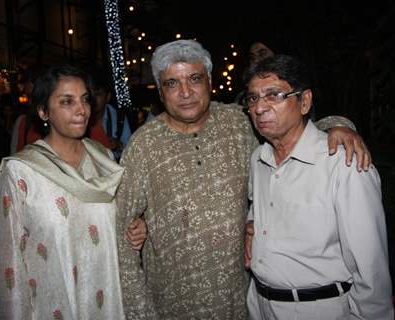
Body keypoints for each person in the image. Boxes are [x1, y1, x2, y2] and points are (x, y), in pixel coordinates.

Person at [116, 39, 372, 319]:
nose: (185, 92)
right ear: (161, 93)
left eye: (194, 78)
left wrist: (338, 125)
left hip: (243, 303)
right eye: (172, 83)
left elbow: (289, 127)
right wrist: (140, 312)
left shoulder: (239, 122)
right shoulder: (143, 146)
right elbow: (121, 235)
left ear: (209, 82)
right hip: (173, 305)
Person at [243, 55, 393, 319]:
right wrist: (252, 224)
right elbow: (264, 210)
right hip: (260, 305)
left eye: (274, 95)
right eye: (253, 98)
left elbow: (370, 265)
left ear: (305, 101)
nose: (259, 108)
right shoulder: (259, 159)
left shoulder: (344, 162)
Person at [0, 65, 145, 319]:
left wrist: (135, 227)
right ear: (43, 111)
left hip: (107, 299)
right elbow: (10, 265)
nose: (81, 110)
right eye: (66, 101)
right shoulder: (21, 172)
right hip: (54, 302)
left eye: (85, 99)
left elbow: (116, 223)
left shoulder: (103, 158)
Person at [88, 68, 132, 161]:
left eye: (98, 94)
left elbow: (132, 151)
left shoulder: (120, 118)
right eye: (91, 94)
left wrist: (119, 145)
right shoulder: (80, 116)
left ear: (107, 97)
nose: (94, 99)